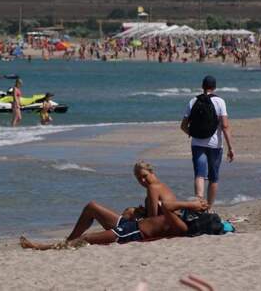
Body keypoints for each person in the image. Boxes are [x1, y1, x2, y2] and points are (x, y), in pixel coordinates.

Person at [20, 198, 209, 250]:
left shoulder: (183, 227)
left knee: (86, 239)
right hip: (131, 224)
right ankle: (68, 240)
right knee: (91, 207)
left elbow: (165, 205)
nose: (194, 212)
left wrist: (191, 203)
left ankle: (41, 247)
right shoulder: (182, 217)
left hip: (131, 234)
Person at [181, 75, 235, 207]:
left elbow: (183, 126)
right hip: (215, 145)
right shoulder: (220, 102)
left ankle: (199, 204)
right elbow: (225, 126)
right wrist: (231, 147)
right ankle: (209, 208)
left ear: (202, 86)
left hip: (197, 143)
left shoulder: (193, 101)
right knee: (213, 178)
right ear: (215, 87)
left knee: (199, 175)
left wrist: (193, 134)